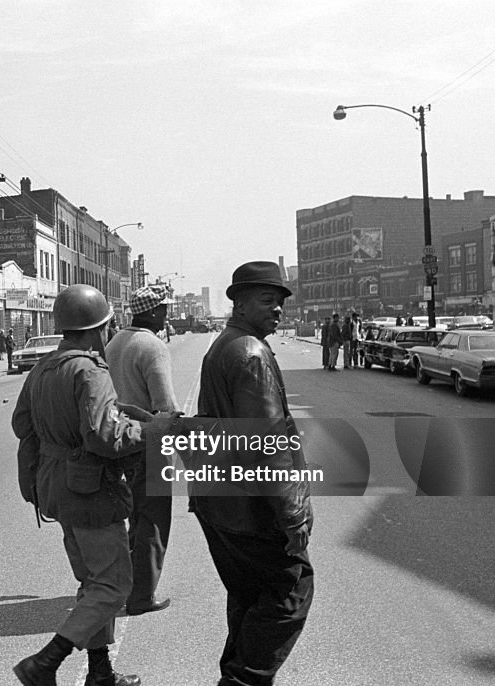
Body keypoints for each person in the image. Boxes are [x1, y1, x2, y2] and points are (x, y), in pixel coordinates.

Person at [11, 284, 176, 686]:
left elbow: (21, 424)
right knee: (115, 585)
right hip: (91, 491)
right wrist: (151, 430)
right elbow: (106, 438)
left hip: (55, 488)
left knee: (92, 580)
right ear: (100, 326)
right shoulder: (89, 369)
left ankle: (100, 673)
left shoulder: (44, 368)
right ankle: (45, 662)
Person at [195, 261, 314, 686]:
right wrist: (294, 515)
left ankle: (237, 673)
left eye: (280, 301)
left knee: (248, 597)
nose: (278, 309)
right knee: (290, 592)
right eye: (268, 300)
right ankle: (240, 680)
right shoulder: (250, 354)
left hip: (222, 504)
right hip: (250, 508)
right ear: (240, 304)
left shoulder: (226, 345)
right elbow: (267, 445)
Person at [105, 284, 178, 617]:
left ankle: (127, 583)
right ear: (149, 312)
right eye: (163, 308)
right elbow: (164, 405)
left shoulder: (115, 342)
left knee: (134, 515)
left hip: (122, 438)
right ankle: (141, 595)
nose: (167, 313)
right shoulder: (152, 345)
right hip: (150, 439)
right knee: (154, 518)